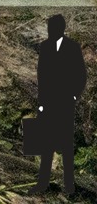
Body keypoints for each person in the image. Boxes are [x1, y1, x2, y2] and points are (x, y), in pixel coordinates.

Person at [32, 13, 86, 196]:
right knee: (47, 143)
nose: (50, 32)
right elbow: (42, 76)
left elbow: (81, 75)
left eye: (54, 29)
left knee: (66, 143)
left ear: (61, 29)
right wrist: (41, 103)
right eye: (49, 28)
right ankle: (43, 182)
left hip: (65, 103)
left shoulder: (72, 48)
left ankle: (69, 185)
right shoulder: (45, 47)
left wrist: (73, 97)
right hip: (48, 102)